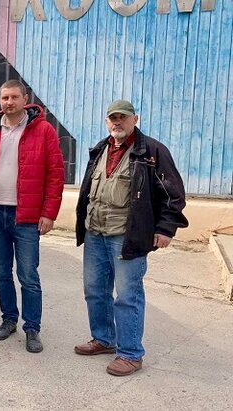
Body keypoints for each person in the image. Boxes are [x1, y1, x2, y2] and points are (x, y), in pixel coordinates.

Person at [74, 100, 188, 376]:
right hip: (95, 232)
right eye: (112, 118)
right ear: (106, 121)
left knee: (127, 295)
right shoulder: (101, 148)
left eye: (123, 118)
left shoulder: (152, 152)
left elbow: (173, 194)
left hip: (127, 236)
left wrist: (165, 229)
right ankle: (103, 339)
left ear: (134, 119)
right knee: (95, 290)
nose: (117, 122)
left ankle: (130, 353)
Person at [0, 79, 64, 353]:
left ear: (25, 99)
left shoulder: (43, 130)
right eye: (4, 98)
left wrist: (48, 213)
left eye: (13, 97)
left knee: (28, 275)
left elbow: (56, 174)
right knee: (1, 273)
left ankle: (32, 328)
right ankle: (8, 319)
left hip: (27, 215)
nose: (8, 102)